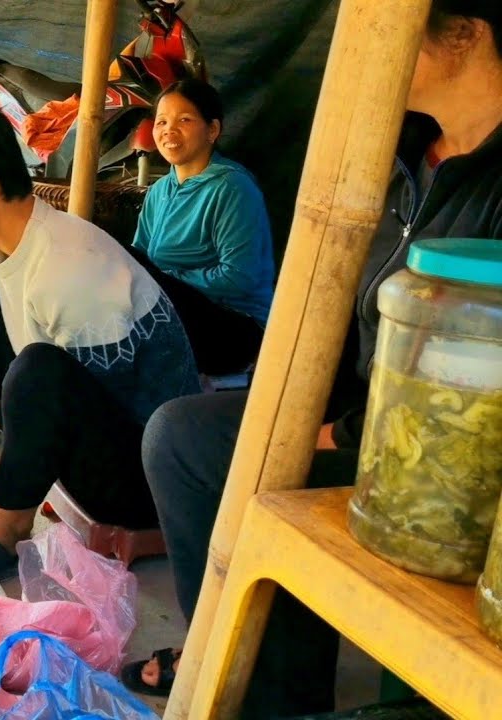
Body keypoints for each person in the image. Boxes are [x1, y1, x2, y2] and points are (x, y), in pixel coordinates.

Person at [125, 2, 502, 714]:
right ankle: (237, 643)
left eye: (397, 32)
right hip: (356, 417)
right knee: (184, 429)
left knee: (190, 442)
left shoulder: (491, 181)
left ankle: (270, 684)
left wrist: (344, 433)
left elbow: (467, 390)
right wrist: (300, 411)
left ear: (467, 31)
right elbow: (348, 324)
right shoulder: (407, 160)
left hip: (438, 469)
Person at [0, 99, 200, 579]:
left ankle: (9, 523)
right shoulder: (12, 244)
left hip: (144, 477)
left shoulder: (69, 266)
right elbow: (32, 360)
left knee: (38, 370)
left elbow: (72, 400)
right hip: (90, 422)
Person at [132, 79, 276, 377]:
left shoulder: (232, 187)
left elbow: (240, 277)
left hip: (234, 329)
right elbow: (138, 259)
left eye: (184, 120)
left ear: (212, 130)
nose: (168, 130)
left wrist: (168, 279)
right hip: (170, 310)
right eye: (161, 121)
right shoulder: (159, 191)